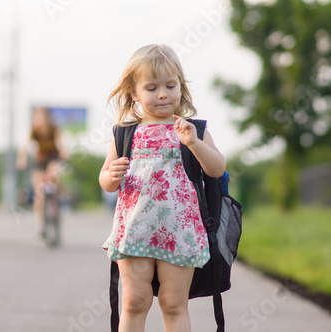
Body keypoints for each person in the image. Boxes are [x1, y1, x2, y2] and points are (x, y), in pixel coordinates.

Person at [99, 44, 225, 332]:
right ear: (134, 92)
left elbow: (216, 169)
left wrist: (193, 143)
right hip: (135, 230)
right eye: (152, 87)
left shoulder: (194, 129)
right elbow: (106, 180)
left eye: (170, 85)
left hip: (179, 230)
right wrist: (112, 175)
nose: (162, 94)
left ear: (181, 85)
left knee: (173, 303)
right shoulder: (125, 133)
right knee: (134, 302)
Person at [17, 107, 68, 236]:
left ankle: (57, 197)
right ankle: (41, 224)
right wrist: (22, 159)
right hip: (39, 160)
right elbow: (24, 146)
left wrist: (64, 152)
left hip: (53, 158)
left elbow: (60, 143)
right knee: (38, 191)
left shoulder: (53, 129)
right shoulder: (33, 130)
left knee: (54, 175)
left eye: (42, 117)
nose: (39, 120)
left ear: (47, 118)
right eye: (37, 117)